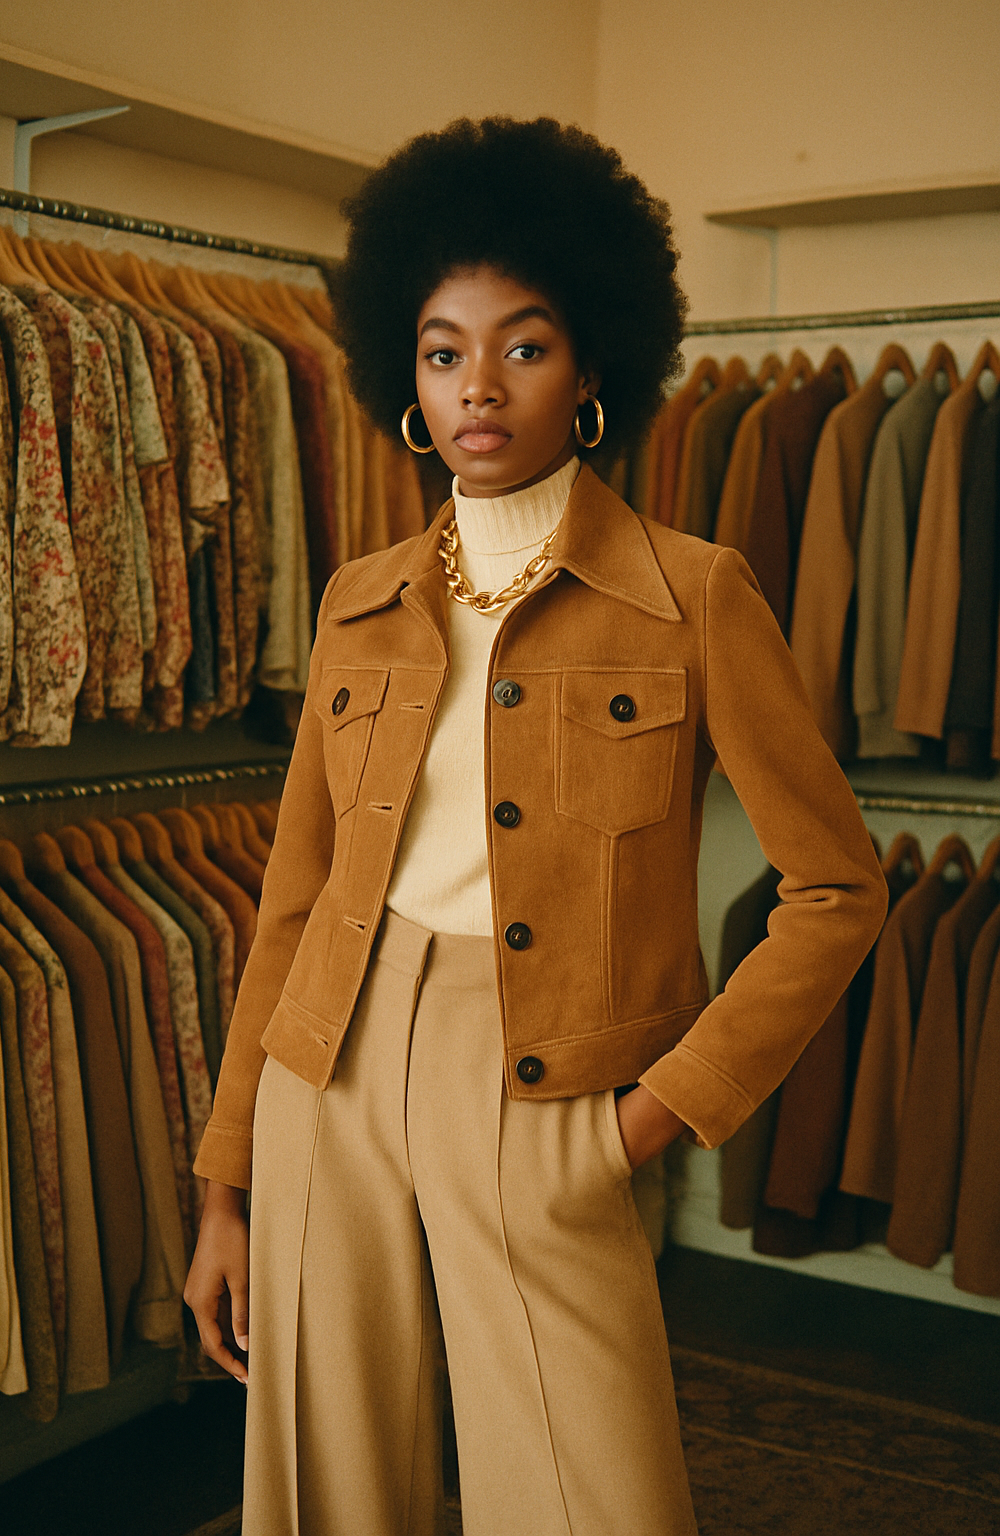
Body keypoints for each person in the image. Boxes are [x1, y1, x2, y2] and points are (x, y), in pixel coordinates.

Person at [185, 117, 888, 1536]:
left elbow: (838, 890)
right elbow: (297, 897)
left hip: (547, 1086)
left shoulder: (695, 596)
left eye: (524, 342)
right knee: (330, 1493)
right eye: (444, 351)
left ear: (590, 369)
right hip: (323, 1069)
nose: (479, 389)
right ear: (406, 375)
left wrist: (648, 1122)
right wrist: (225, 1182)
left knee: (590, 1498)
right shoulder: (360, 601)